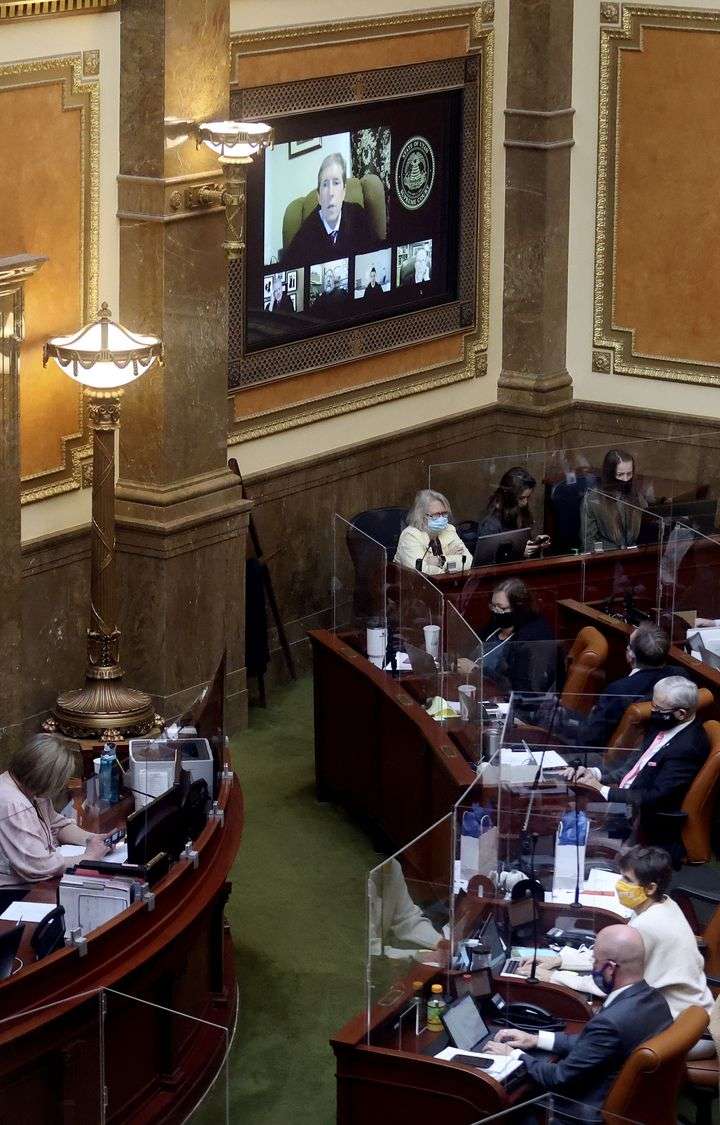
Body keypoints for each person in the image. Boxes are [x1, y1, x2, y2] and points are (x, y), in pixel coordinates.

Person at [515, 846, 714, 1055]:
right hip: (694, 1019)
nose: (619, 885)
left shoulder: (648, 925)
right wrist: (561, 961)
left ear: (651, 888)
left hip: (679, 1032)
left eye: (627, 880)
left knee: (598, 1044)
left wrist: (554, 977)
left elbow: (608, 983)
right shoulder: (664, 905)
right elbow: (615, 956)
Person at [485, 925, 672, 1119]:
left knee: (500, 1106)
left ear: (609, 969)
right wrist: (536, 1039)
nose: (593, 967)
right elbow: (594, 1045)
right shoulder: (656, 1001)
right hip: (637, 1109)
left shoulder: (610, 1023)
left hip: (580, 1111)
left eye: (594, 961)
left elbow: (558, 1078)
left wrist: (514, 1054)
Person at [569, 676, 709, 850]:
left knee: (570, 835)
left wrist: (602, 790)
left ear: (681, 713)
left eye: (658, 709)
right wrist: (596, 775)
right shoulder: (662, 724)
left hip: (638, 821)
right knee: (563, 806)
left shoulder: (688, 748)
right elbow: (634, 766)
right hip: (621, 803)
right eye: (653, 705)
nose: (653, 711)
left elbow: (656, 797)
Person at [0, 733, 111, 886]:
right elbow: (37, 866)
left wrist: (93, 839)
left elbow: (58, 826)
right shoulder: (14, 804)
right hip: (12, 891)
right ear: (45, 778)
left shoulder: (29, 787)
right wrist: (88, 857)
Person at [576, 622, 684, 747]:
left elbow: (590, 739)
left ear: (631, 655)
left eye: (629, 645)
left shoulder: (617, 691)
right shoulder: (681, 675)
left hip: (610, 760)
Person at [458, 578, 557, 695]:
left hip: (502, 700)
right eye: (493, 606)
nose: (496, 611)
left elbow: (519, 688)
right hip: (475, 687)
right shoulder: (496, 625)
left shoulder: (531, 638)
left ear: (519, 608)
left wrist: (476, 672)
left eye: (501, 608)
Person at [283, 153, 375, 266]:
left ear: (344, 191)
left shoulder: (358, 214)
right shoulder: (304, 235)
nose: (331, 193)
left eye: (336, 183)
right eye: (325, 185)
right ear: (319, 196)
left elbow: (376, 252)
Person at [581, 448, 646, 552]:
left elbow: (646, 526)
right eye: (620, 474)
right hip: (607, 555)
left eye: (629, 474)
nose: (625, 479)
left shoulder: (635, 494)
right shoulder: (593, 499)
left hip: (634, 552)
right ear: (610, 474)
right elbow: (588, 541)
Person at [477, 467, 550, 558]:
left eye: (528, 497)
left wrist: (534, 543)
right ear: (510, 497)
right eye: (521, 498)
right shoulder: (491, 523)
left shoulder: (517, 512)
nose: (525, 502)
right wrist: (517, 553)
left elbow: (516, 542)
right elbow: (487, 558)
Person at [393, 489, 469, 576]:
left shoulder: (449, 530)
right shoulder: (410, 536)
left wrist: (441, 561)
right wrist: (451, 559)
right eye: (436, 514)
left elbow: (468, 562)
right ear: (421, 516)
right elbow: (420, 571)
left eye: (444, 513)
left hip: (446, 584)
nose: (441, 518)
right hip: (414, 587)